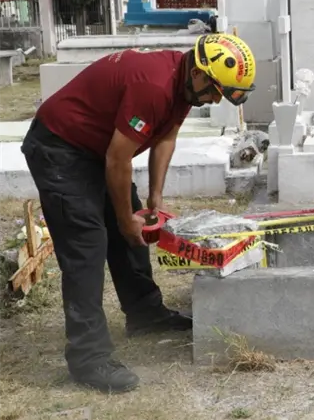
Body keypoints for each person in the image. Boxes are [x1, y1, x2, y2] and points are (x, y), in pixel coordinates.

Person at [20, 33, 257, 393]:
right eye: (214, 92)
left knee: (137, 223)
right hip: (59, 147)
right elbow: (118, 159)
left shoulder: (182, 84)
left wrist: (154, 199)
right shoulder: (155, 85)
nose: (211, 100)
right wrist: (122, 219)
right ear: (199, 74)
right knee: (87, 243)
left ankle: (145, 314)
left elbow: (166, 136)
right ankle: (88, 358)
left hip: (93, 149)